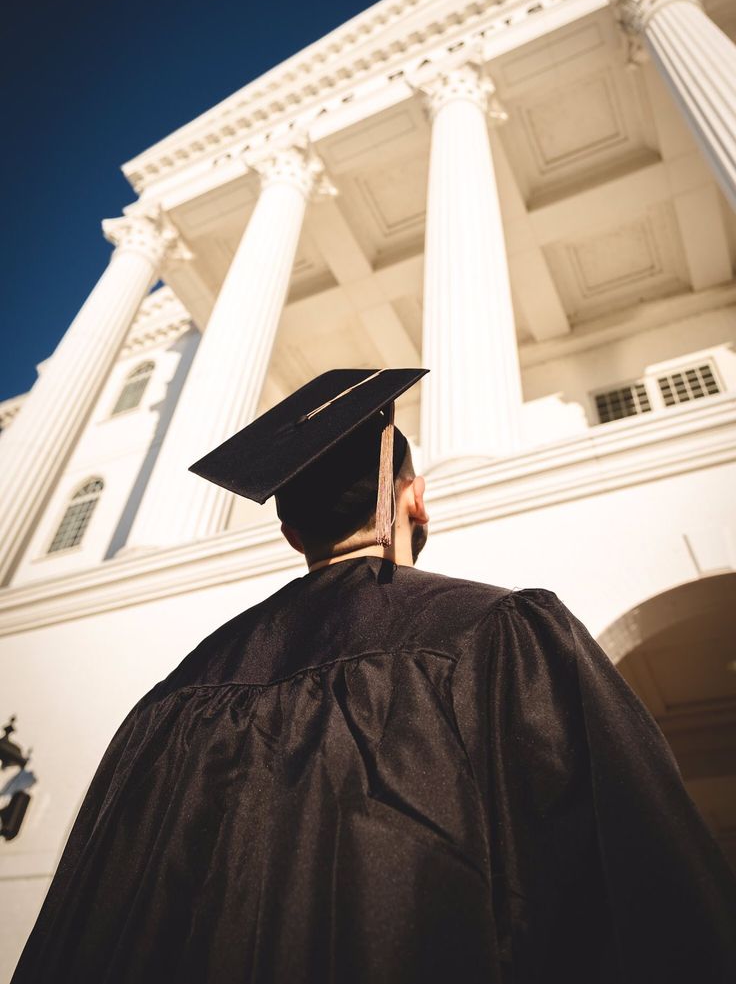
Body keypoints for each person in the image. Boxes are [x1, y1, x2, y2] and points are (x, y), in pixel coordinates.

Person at [12, 368, 736, 984]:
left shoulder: (169, 706)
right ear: (414, 499)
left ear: (291, 531)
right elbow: (648, 894)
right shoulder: (501, 638)